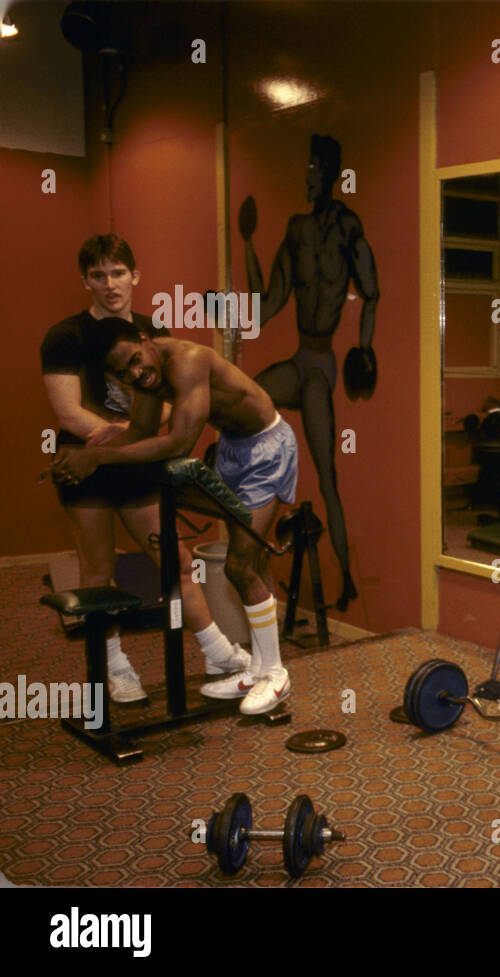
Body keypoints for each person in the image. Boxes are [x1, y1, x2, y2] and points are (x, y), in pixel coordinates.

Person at [39, 234, 248, 703]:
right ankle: (115, 668)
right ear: (85, 281)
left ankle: (217, 654)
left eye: (118, 273)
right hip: (86, 466)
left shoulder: (149, 330)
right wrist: (121, 438)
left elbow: (174, 407)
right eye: (98, 275)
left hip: (132, 464)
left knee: (176, 559)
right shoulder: (65, 336)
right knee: (98, 567)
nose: (109, 283)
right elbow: (69, 414)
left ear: (134, 276)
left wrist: (130, 443)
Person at [50, 322, 299, 716]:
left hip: (267, 450)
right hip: (234, 449)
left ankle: (275, 673)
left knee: (239, 565)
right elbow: (141, 432)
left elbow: (180, 441)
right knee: (244, 565)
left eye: (135, 360)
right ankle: (255, 670)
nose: (134, 373)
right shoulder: (150, 378)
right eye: (122, 372)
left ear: (146, 341)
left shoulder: (189, 360)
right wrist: (84, 452)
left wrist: (97, 457)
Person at [240, 133, 379, 612]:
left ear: (331, 173)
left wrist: (364, 347)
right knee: (246, 398)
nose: (307, 175)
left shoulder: (347, 227)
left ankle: (346, 581)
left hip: (321, 366)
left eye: (315, 167)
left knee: (327, 477)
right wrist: (249, 246)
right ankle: (252, 549)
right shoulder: (295, 230)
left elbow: (373, 291)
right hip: (297, 361)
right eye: (306, 166)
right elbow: (266, 305)